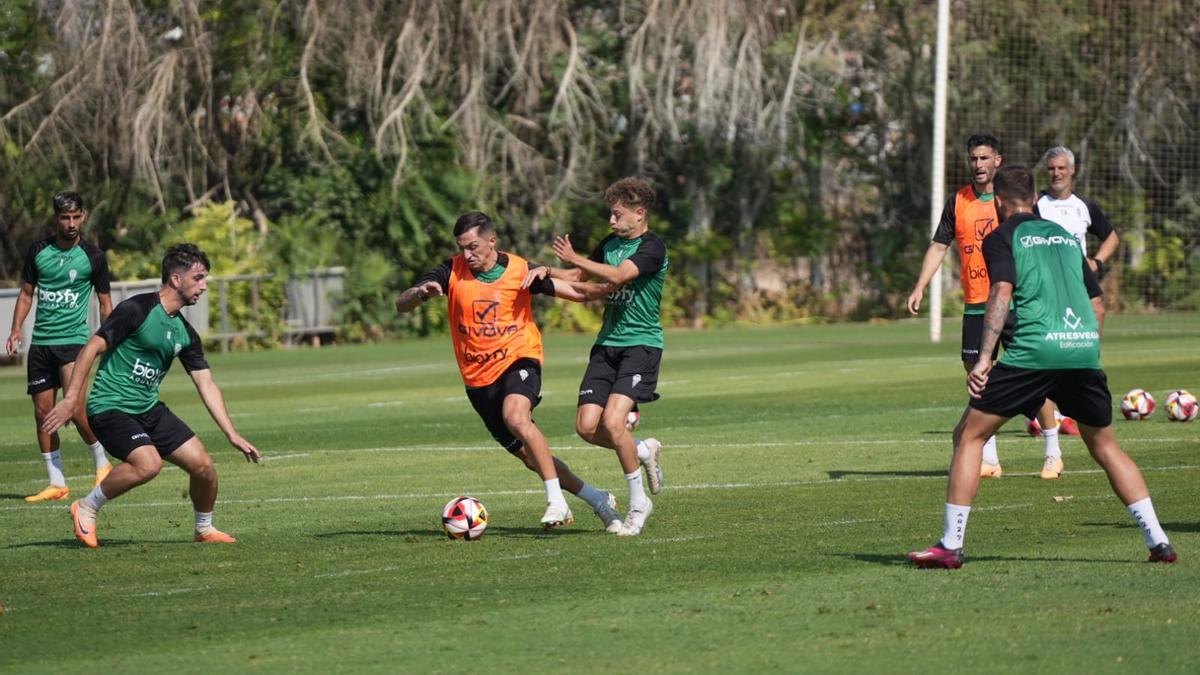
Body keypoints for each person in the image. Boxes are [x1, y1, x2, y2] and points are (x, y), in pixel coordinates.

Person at [908, 165, 1177, 568]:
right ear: (1034, 199)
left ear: (999, 202)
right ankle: (1159, 541)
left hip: (1032, 353)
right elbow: (1097, 304)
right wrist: (1085, 349)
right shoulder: (1069, 240)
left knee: (968, 436)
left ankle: (950, 545)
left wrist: (985, 358)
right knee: (1105, 446)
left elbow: (1000, 291)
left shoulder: (1002, 235)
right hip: (1082, 351)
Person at [396, 212, 623, 532]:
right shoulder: (450, 270)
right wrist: (419, 293)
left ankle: (555, 500)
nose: (467, 255)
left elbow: (576, 291)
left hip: (519, 359)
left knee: (516, 417)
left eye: (473, 247)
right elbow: (400, 304)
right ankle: (598, 498)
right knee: (531, 458)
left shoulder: (520, 270)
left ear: (492, 240)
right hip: (477, 380)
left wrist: (614, 286)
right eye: (462, 248)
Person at [42, 243, 261, 548]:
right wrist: (70, 400)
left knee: (204, 467)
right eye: (198, 278)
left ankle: (204, 528)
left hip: (148, 409)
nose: (204, 286)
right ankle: (87, 507)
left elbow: (206, 383)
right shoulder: (136, 310)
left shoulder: (185, 333)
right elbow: (91, 348)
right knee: (148, 464)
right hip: (110, 407)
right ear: (175, 278)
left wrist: (232, 434)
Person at [906, 134, 1070, 481]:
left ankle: (1053, 451)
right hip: (976, 304)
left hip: (1016, 303)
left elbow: (1038, 240)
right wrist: (920, 286)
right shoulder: (958, 201)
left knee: (1033, 374)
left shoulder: (1014, 202)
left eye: (984, 158)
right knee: (978, 377)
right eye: (972, 159)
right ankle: (990, 458)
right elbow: (938, 246)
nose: (977, 165)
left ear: (998, 160)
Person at [523, 177, 667, 536]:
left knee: (615, 423)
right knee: (587, 427)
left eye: (618, 215)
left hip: (640, 346)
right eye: (611, 215)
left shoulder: (652, 248)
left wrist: (574, 257)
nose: (612, 222)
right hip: (607, 346)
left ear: (639, 213)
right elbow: (578, 275)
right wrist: (544, 270)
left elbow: (618, 275)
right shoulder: (611, 244)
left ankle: (638, 505)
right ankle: (642, 451)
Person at [6, 192, 114, 502]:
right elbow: (26, 294)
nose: (70, 223)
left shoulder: (93, 257)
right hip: (41, 344)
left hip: (74, 343)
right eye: (65, 218)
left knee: (75, 408)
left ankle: (102, 463)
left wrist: (111, 339)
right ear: (56, 218)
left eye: (75, 217)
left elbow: (106, 304)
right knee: (43, 414)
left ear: (84, 216)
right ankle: (57, 482)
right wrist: (16, 329)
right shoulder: (38, 252)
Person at [1036, 145, 1120, 277]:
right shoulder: (1035, 203)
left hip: (1077, 279)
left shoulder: (1084, 205)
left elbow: (1112, 238)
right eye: (1051, 169)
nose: (1056, 173)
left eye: (1061, 168)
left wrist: (1096, 262)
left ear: (1072, 170)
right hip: (1045, 280)